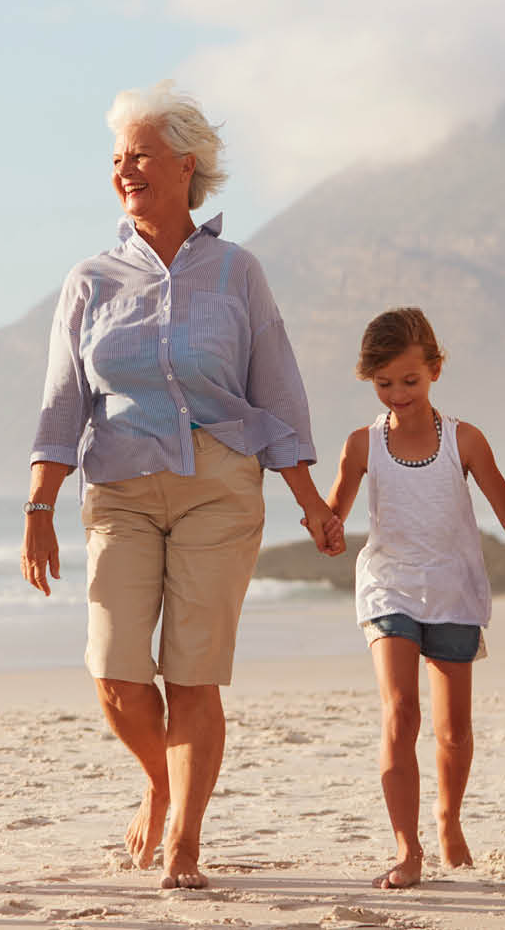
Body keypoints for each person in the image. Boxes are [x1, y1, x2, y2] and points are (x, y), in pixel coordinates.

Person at [19, 80, 341, 890]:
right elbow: (62, 401)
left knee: (192, 672)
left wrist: (311, 501)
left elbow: (278, 391)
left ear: (186, 165)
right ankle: (161, 784)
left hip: (218, 486)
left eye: (141, 155)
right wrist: (38, 504)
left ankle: (185, 842)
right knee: (116, 672)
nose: (125, 170)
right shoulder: (90, 279)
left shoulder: (238, 271)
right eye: (117, 159)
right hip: (119, 488)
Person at [320, 307, 505, 890]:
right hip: (389, 587)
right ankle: (407, 848)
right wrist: (325, 529)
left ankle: (448, 819)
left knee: (454, 732)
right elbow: (333, 515)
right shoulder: (362, 445)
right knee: (400, 712)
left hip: (454, 590)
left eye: (410, 380)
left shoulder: (465, 440)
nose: (398, 394)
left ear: (435, 369)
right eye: (384, 383)